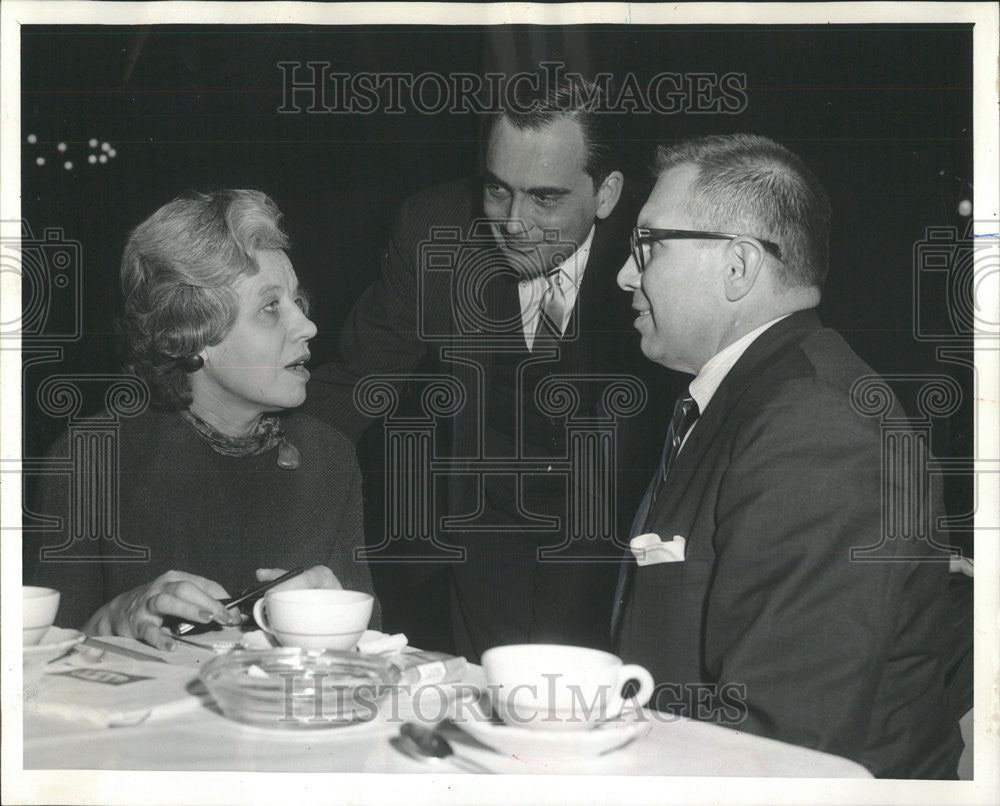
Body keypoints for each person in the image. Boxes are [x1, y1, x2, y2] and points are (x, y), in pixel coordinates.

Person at [612, 133, 962, 778]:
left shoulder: (815, 425)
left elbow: (782, 744)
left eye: (648, 245)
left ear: (738, 266)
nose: (625, 274)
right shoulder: (761, 395)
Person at [305, 75, 672, 660]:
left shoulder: (662, 247)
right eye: (498, 190)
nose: (514, 223)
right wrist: (243, 442)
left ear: (606, 194)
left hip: (618, 535)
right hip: (483, 529)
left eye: (545, 197)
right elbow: (358, 380)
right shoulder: (434, 228)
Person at [25, 189, 378, 650]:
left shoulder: (327, 456)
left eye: (298, 300)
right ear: (193, 334)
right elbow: (27, 672)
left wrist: (344, 622)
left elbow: (381, 657)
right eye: (271, 307)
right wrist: (112, 619)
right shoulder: (93, 459)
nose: (307, 326)